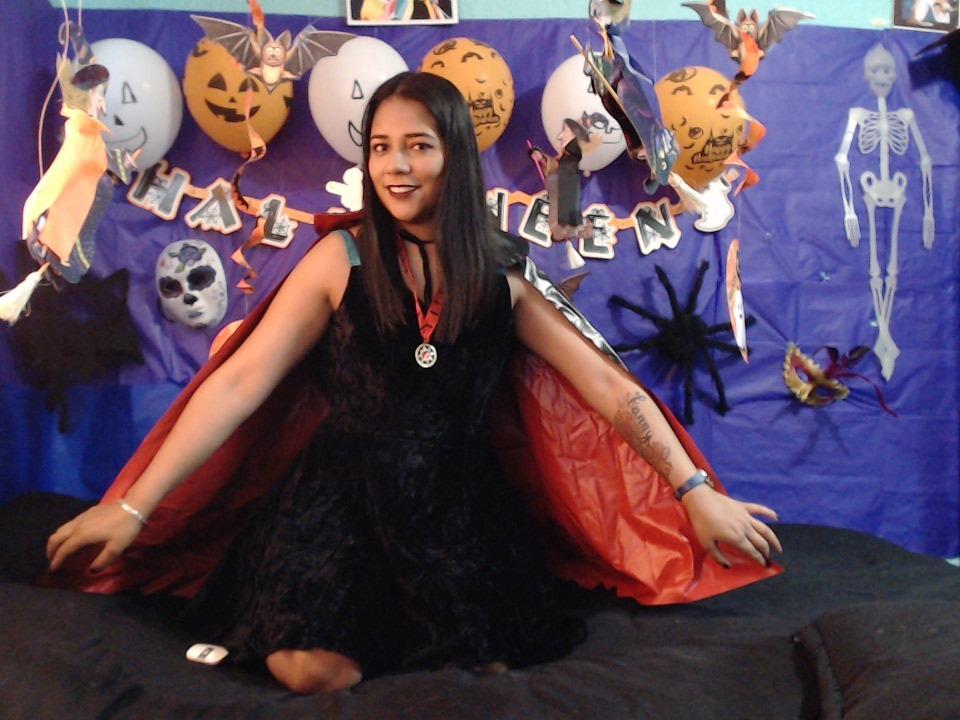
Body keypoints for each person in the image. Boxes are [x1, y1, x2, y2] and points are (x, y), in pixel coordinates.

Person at [45, 71, 781, 695]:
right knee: (313, 669)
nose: (395, 166)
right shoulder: (340, 258)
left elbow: (610, 390)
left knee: (485, 665)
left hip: (460, 505)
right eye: (380, 147)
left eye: (418, 146)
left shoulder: (502, 275)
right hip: (337, 499)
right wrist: (134, 508)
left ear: (454, 154)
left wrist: (695, 492)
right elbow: (239, 384)